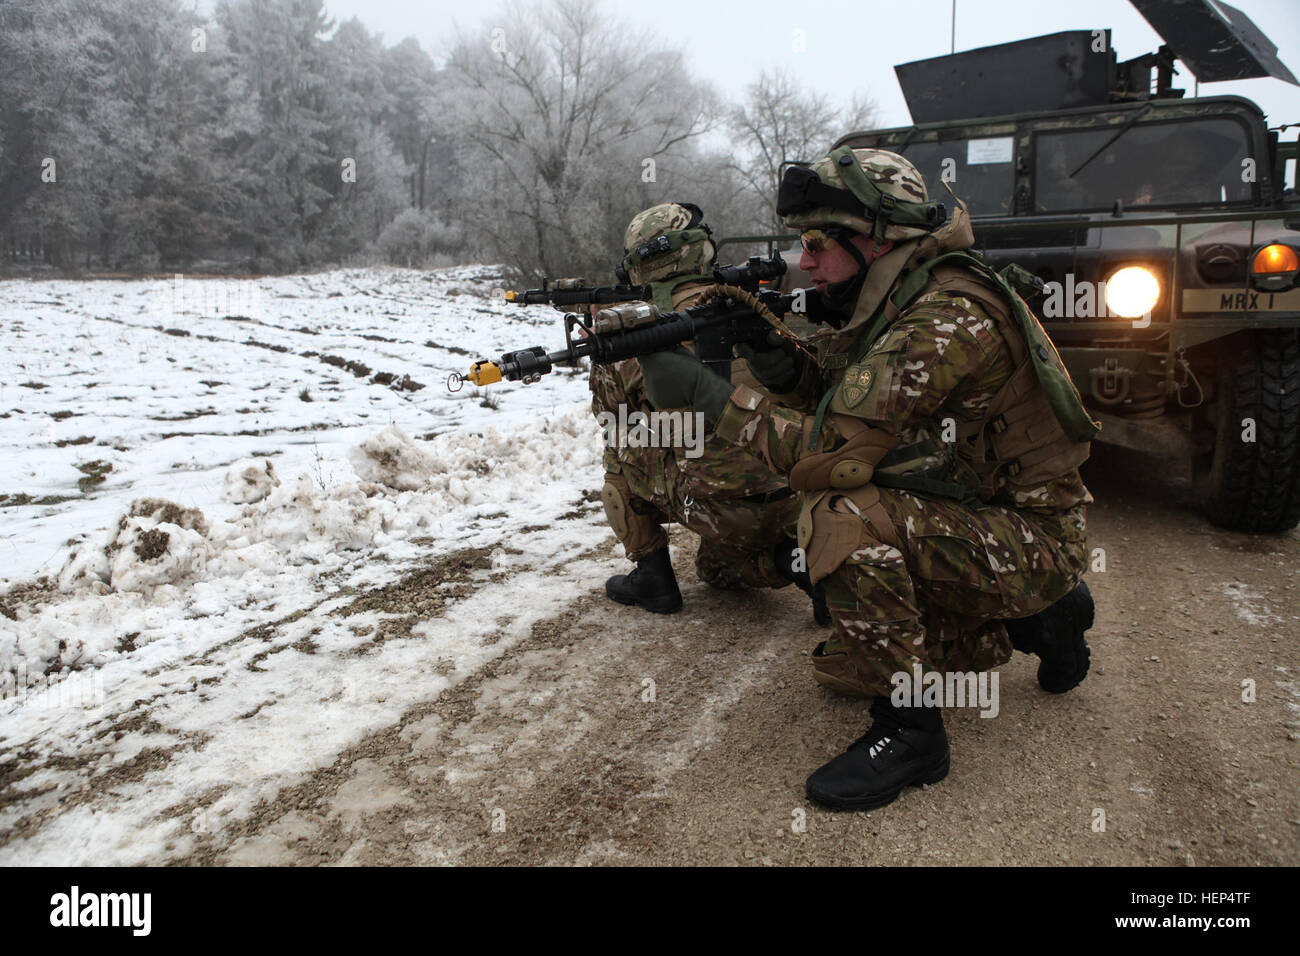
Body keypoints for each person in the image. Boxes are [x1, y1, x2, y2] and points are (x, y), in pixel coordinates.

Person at [636, 150, 1098, 811]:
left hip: (1029, 537)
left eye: (819, 243)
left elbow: (835, 452)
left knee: (838, 510)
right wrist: (770, 351)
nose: (808, 261)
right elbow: (837, 392)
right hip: (989, 513)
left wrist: (713, 399)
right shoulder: (903, 291)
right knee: (844, 662)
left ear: (879, 236)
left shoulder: (944, 317)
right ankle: (1045, 619)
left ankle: (911, 732)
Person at [591, 202, 824, 621]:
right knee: (715, 571)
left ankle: (653, 576)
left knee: (619, 443)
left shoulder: (637, 335)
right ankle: (803, 564)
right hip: (795, 495)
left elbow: (613, 415)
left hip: (716, 508)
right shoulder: (754, 305)